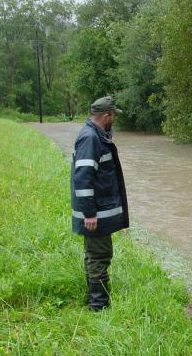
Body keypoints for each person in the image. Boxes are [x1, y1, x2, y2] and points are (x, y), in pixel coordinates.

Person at [70, 96, 129, 311]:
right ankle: (99, 306)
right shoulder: (91, 138)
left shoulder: (94, 135)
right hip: (96, 214)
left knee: (95, 255)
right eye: (113, 115)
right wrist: (89, 213)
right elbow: (83, 177)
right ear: (106, 116)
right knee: (99, 256)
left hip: (97, 211)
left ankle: (96, 301)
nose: (114, 119)